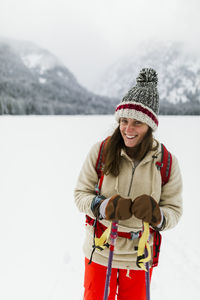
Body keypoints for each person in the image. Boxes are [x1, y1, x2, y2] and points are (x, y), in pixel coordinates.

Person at [74, 68, 183, 300]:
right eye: (124, 121)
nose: (128, 129)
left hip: (139, 257)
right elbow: (80, 195)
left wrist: (157, 215)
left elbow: (173, 211)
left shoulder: (166, 162)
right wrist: (103, 207)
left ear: (150, 126)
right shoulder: (101, 151)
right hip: (101, 252)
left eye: (137, 123)